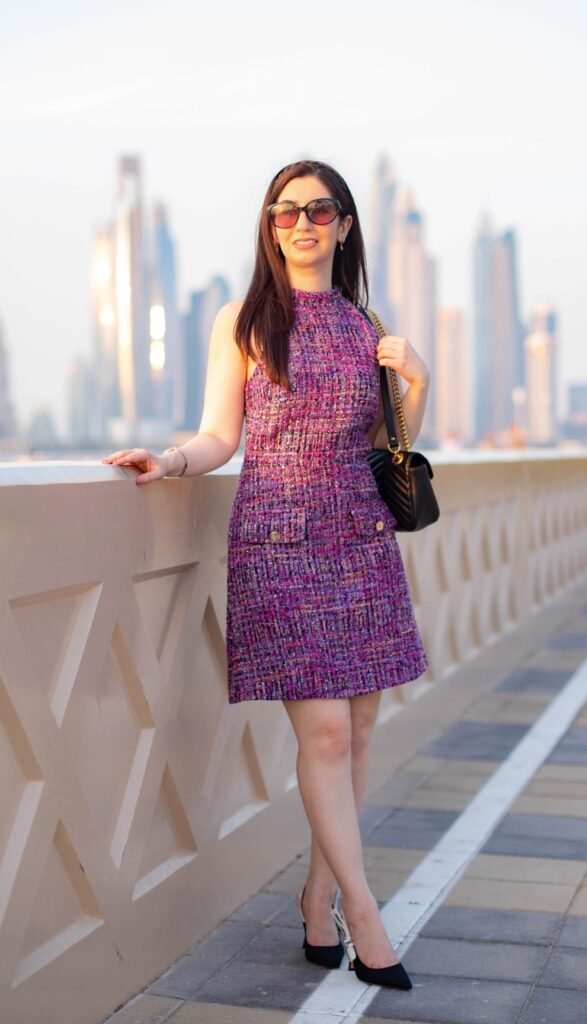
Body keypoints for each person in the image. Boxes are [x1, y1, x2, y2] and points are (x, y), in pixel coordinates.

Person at [103, 159, 431, 991]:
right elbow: (221, 435)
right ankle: (364, 916)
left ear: (345, 226)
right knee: (325, 735)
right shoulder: (245, 319)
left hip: (360, 540)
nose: (302, 224)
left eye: (319, 210)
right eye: (286, 212)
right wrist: (172, 460)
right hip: (279, 543)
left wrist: (418, 381)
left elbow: (385, 445)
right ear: (270, 227)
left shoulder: (366, 327)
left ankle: (318, 895)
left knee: (358, 732)